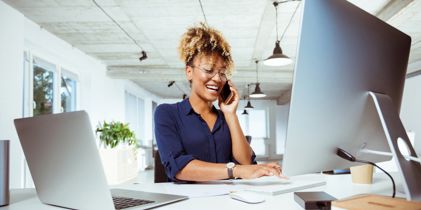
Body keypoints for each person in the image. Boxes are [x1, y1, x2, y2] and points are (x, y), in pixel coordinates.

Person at [154, 23, 283, 182]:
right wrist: (235, 170)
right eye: (208, 70)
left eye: (222, 73)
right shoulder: (167, 113)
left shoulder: (225, 118)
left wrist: (230, 114)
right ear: (189, 72)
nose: (217, 78)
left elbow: (247, 163)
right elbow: (179, 168)